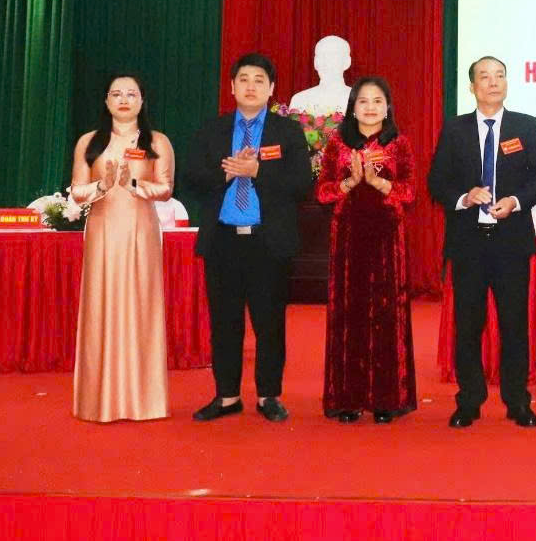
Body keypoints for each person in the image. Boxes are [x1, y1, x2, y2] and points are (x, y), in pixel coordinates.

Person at [182, 53, 313, 423]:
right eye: (243, 79)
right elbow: (191, 179)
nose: (251, 86)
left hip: (268, 242)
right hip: (223, 241)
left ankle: (269, 396)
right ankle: (227, 396)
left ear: (271, 89)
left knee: (269, 324)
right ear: (232, 87)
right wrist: (225, 175)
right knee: (225, 323)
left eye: (259, 80)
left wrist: (258, 171)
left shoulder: (287, 132)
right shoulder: (213, 130)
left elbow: (302, 183)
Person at [428, 56, 536, 428]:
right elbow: (437, 182)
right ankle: (469, 400)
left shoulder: (526, 126)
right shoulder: (455, 129)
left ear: (506, 83)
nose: (493, 82)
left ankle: (518, 401)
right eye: (484, 76)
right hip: (469, 243)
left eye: (499, 75)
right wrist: (464, 197)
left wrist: (515, 201)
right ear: (472, 87)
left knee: (514, 325)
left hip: (511, 242)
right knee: (468, 325)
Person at [68, 74, 175, 422]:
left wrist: (132, 183)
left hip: (141, 233)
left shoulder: (157, 141)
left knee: (140, 306)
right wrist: (102, 185)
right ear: (106, 101)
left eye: (131, 94)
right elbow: (77, 192)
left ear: (142, 101)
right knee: (101, 305)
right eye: (116, 94)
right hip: (103, 232)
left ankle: (144, 399)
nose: (124, 100)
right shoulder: (89, 142)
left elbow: (166, 189)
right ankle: (97, 399)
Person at [316, 77, 417, 424]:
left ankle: (387, 398)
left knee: (387, 315)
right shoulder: (337, 143)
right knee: (350, 314)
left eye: (377, 101)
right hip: (348, 236)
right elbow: (323, 192)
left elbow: (410, 192)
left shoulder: (399, 143)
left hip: (388, 237)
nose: (370, 107)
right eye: (363, 101)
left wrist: (378, 182)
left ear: (387, 107)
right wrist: (349, 182)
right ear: (352, 107)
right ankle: (348, 399)